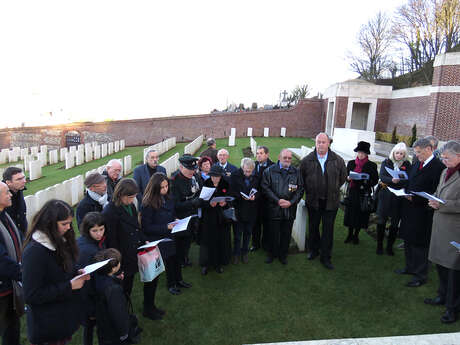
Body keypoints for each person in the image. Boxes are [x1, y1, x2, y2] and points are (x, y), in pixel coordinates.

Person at [22, 199, 90, 345]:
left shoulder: (59, 240)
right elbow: (31, 295)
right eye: (64, 224)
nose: (69, 228)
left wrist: (76, 271)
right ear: (49, 224)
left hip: (60, 318)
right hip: (47, 326)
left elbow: (58, 270)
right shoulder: (35, 252)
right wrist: (69, 286)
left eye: (69, 223)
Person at [396, 138, 445, 287]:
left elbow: (436, 191)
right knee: (408, 240)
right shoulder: (417, 163)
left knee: (420, 245)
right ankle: (409, 267)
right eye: (416, 153)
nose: (417, 155)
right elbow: (412, 181)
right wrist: (404, 190)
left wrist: (416, 198)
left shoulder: (438, 167)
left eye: (419, 152)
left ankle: (420, 275)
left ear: (429, 149)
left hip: (423, 212)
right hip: (409, 209)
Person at [141, 173, 191, 307]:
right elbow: (146, 227)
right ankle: (171, 284)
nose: (165, 189)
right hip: (159, 238)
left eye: (166, 186)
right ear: (155, 187)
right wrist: (166, 226)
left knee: (176, 258)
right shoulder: (148, 203)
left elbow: (172, 212)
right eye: (162, 187)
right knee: (169, 261)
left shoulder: (168, 197)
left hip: (171, 234)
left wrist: (175, 219)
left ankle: (179, 280)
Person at [300, 133, 347, 270]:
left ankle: (325, 256)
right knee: (313, 227)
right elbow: (301, 178)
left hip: (330, 202)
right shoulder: (307, 160)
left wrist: (332, 189)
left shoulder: (338, 160)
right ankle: (314, 250)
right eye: (318, 142)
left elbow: (342, 177)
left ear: (329, 143)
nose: (320, 144)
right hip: (313, 201)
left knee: (328, 230)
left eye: (323, 142)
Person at [426, 140, 460, 323]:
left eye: (447, 158)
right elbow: (440, 193)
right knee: (441, 266)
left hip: (455, 230)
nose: (444, 160)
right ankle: (442, 295)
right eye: (443, 157)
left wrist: (443, 205)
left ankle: (452, 309)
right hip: (440, 226)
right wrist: (434, 201)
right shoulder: (445, 171)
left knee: (453, 271)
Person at [103, 178, 146, 297]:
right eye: (130, 197)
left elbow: (136, 227)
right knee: (120, 290)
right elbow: (111, 240)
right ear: (121, 194)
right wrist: (116, 265)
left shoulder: (130, 206)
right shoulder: (110, 212)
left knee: (128, 287)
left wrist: (143, 240)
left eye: (134, 196)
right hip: (121, 256)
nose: (132, 200)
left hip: (132, 252)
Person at [261, 149, 303, 265]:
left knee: (286, 234)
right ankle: (271, 254)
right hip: (274, 208)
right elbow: (265, 188)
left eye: (289, 158)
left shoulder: (296, 172)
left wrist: (291, 202)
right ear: (279, 157)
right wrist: (277, 200)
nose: (287, 160)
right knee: (272, 233)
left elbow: (300, 190)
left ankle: (283, 255)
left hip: (289, 209)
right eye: (285, 157)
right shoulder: (269, 171)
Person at [93, 248, 142, 345]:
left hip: (103, 326)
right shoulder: (113, 289)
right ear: (114, 268)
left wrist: (115, 279)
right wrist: (124, 333)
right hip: (113, 333)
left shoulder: (99, 278)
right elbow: (118, 313)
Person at [375, 142, 411, 255]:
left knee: (395, 223)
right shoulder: (387, 162)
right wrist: (392, 180)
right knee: (381, 220)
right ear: (393, 153)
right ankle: (379, 245)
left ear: (404, 155)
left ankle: (389, 247)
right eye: (397, 153)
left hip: (399, 197)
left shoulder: (407, 164)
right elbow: (382, 176)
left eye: (401, 153)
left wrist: (400, 181)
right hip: (386, 195)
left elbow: (408, 179)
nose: (399, 155)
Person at [77, 212, 107, 345]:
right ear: (87, 229)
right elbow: (86, 280)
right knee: (91, 326)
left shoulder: (93, 242)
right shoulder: (87, 250)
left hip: (93, 293)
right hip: (90, 297)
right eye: (95, 230)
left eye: (101, 229)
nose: (99, 233)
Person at [170, 155, 203, 267]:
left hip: (193, 213)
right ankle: (179, 260)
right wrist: (192, 202)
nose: (191, 172)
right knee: (181, 240)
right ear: (181, 167)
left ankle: (185, 257)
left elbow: (200, 190)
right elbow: (175, 204)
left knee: (189, 238)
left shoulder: (195, 177)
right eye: (189, 169)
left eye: (193, 169)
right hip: (181, 216)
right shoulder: (174, 181)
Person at [343, 141, 378, 245]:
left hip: (363, 193)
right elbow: (345, 176)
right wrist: (348, 178)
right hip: (352, 192)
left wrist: (366, 181)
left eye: (363, 153)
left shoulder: (372, 165)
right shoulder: (351, 163)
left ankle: (356, 235)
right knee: (351, 214)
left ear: (366, 154)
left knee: (360, 215)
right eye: (359, 152)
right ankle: (349, 234)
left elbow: (375, 180)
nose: (360, 154)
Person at [0, 182, 22, 345]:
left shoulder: (5, 215)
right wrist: (24, 272)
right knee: (7, 327)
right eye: (7, 192)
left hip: (10, 283)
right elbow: (1, 260)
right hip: (2, 287)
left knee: (13, 327)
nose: (11, 195)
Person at [199, 165, 232, 274]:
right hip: (208, 218)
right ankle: (206, 264)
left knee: (220, 241)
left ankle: (218, 263)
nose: (214, 179)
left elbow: (231, 198)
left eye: (217, 177)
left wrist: (225, 203)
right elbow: (201, 202)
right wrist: (209, 204)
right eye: (213, 176)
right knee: (208, 241)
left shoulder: (225, 184)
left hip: (222, 218)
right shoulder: (206, 183)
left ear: (220, 176)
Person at [230, 158, 260, 264]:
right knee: (237, 235)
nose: (248, 173)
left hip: (251, 210)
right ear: (242, 167)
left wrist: (254, 197)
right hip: (239, 209)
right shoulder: (234, 176)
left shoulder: (256, 176)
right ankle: (236, 254)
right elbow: (231, 192)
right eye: (246, 171)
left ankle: (245, 253)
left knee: (248, 233)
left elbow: (260, 191)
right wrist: (240, 196)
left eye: (250, 171)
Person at [251, 146, 274, 252]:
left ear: (267, 154)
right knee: (255, 223)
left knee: (267, 224)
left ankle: (265, 244)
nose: (258, 155)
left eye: (261, 153)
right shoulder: (253, 165)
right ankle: (255, 244)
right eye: (257, 153)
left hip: (267, 201)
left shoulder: (273, 166)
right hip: (255, 201)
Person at [2, 167, 27, 235]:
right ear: (8, 182)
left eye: (23, 177)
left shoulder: (18, 190)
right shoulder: (2, 197)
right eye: (19, 179)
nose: (24, 181)